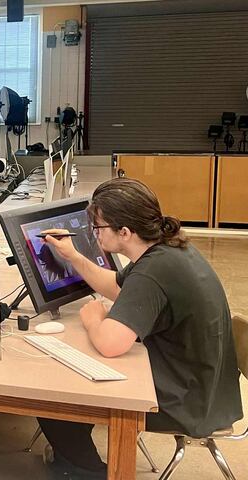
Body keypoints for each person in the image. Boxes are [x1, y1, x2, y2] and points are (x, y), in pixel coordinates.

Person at [38, 178, 243, 479]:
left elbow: (111, 344)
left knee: (57, 395)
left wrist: (94, 318)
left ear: (124, 231)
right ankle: (75, 456)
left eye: (98, 228)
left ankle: (89, 472)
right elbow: (115, 286)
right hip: (205, 384)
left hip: (186, 400)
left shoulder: (153, 271)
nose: (94, 235)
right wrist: (73, 256)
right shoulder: (167, 249)